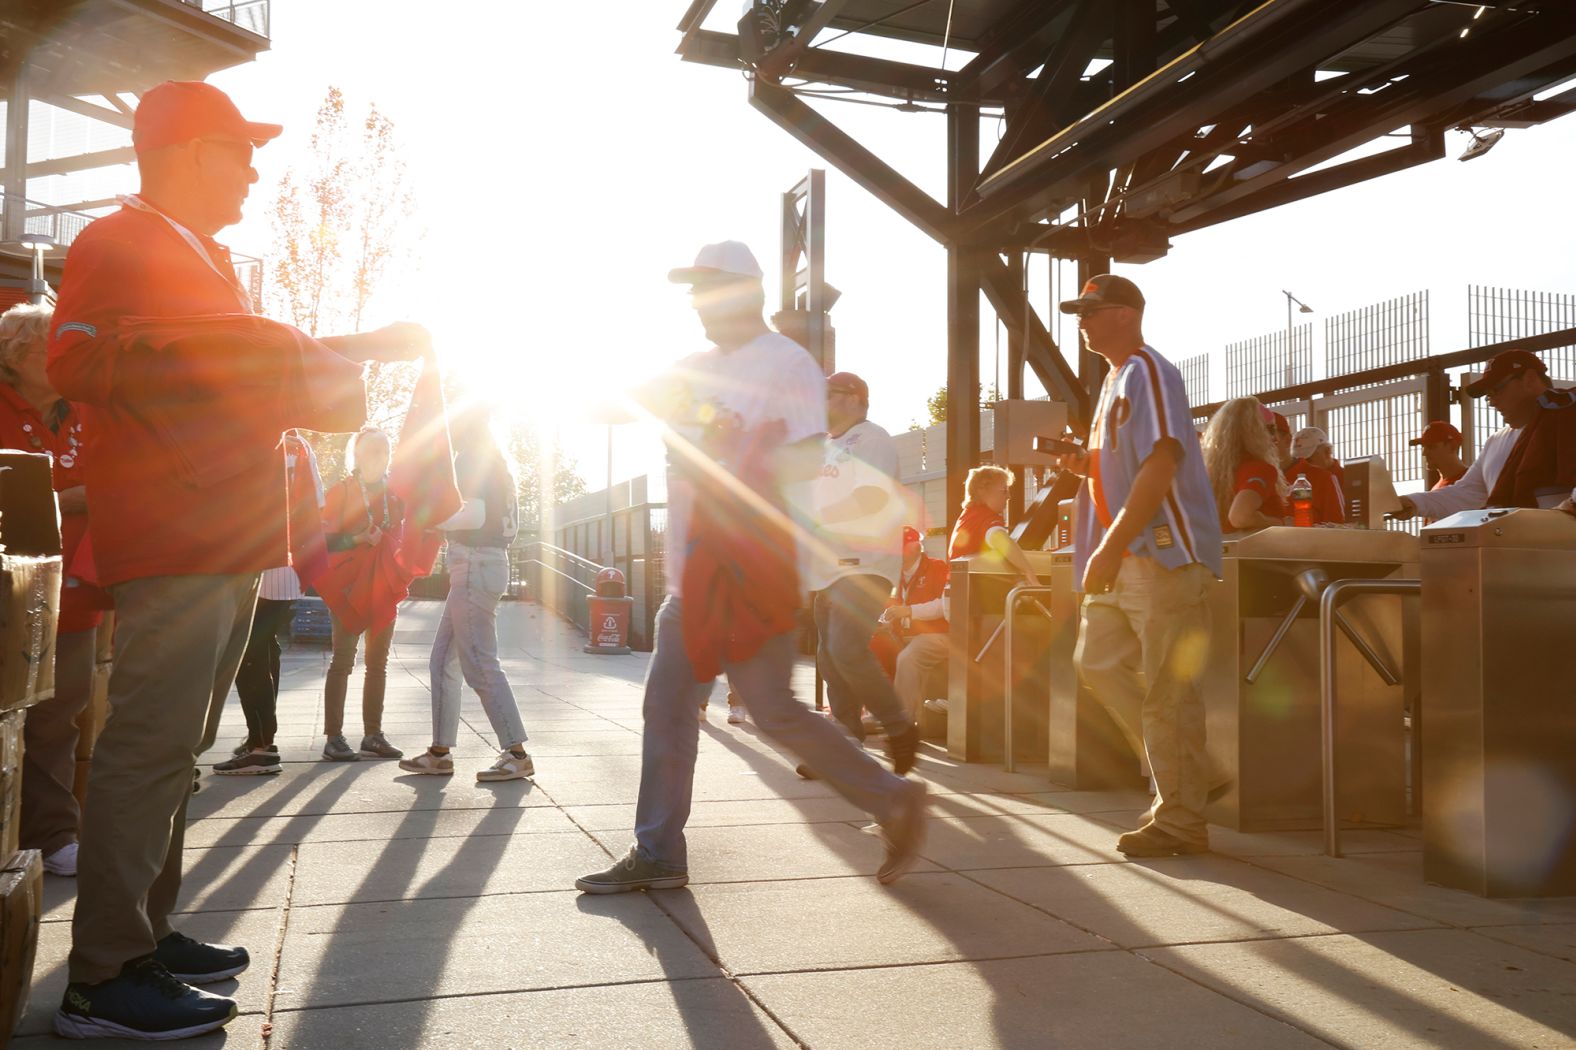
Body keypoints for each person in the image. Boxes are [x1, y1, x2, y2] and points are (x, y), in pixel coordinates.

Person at [45, 80, 428, 1040]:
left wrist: (353, 347)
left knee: (181, 749)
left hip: (219, 534)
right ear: (183, 152)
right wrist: (253, 345)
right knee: (149, 746)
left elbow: (236, 361)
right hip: (174, 534)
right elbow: (78, 359)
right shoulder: (116, 239)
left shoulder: (192, 251)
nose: (254, 167)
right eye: (238, 148)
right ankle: (102, 977)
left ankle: (145, 932)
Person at [575, 240, 925, 894]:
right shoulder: (692, 366)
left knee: (771, 709)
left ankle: (892, 797)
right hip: (696, 576)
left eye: (709, 290)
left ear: (744, 293)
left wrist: (727, 451)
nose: (698, 304)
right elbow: (611, 401)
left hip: (750, 569)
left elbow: (797, 463)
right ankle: (658, 850)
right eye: (693, 292)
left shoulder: (786, 365)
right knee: (670, 704)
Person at [1051, 273, 1222, 858]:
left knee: (1168, 691)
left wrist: (1108, 542)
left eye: (1092, 310)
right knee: (1097, 661)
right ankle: (1190, 776)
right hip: (1131, 554)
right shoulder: (1116, 380)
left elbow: (1162, 459)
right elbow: (1130, 466)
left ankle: (1180, 817)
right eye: (1080, 311)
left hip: (1162, 551)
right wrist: (1085, 467)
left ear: (1126, 313)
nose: (1082, 320)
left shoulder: (1149, 369)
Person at [0, 302, 108, 878]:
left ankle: (55, 834)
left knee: (60, 715)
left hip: (77, 592)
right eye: (52, 348)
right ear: (16, 355)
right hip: (10, 593)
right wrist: (68, 500)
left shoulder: (85, 413)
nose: (66, 359)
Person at [398, 403, 534, 781]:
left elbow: (474, 515)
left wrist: (429, 520)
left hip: (476, 563)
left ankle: (517, 752)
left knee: (478, 663)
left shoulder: (474, 459)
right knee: (443, 660)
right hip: (477, 564)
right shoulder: (493, 461)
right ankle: (440, 753)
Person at [808, 369, 918, 770]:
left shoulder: (872, 438)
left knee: (845, 648)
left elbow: (871, 499)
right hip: (827, 567)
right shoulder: (823, 446)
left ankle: (899, 726)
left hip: (865, 563)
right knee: (829, 656)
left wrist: (816, 521)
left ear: (854, 398)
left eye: (827, 394)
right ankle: (845, 738)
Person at [1395, 351, 1576, 520]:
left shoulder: (1568, 418)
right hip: (1520, 548)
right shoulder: (1496, 441)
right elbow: (1465, 495)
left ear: (1529, 379)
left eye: (1496, 390)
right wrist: (1413, 502)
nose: (1492, 402)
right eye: (1488, 396)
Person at [320, 427, 404, 762]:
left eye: (384, 450)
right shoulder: (340, 491)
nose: (379, 455)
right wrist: (357, 539)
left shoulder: (394, 495)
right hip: (349, 585)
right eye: (371, 450)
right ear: (356, 454)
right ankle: (334, 737)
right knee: (342, 662)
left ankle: (373, 734)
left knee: (378, 663)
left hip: (383, 583)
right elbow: (322, 541)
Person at [875, 526, 951, 721]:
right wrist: (885, 620)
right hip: (903, 635)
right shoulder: (893, 574)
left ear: (916, 548)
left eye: (901, 547)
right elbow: (888, 606)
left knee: (908, 658)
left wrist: (909, 611)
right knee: (869, 646)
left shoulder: (938, 568)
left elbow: (945, 606)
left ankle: (903, 723)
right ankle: (874, 712)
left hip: (939, 635)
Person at [1202, 398, 1288, 532]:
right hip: (1250, 551)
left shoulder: (1209, 471)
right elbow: (1240, 517)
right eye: (1271, 429)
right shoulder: (1261, 469)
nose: (1275, 438)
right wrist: (1279, 523)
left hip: (1215, 549)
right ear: (1254, 432)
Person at [948, 464, 1043, 583]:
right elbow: (1001, 540)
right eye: (1004, 491)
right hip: (973, 590)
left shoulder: (970, 516)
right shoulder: (985, 517)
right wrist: (1030, 574)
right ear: (982, 491)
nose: (1008, 496)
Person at [1286, 426, 1347, 524]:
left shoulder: (1348, 478)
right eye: (1297, 460)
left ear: (1327, 452)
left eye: (1308, 459)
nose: (1302, 463)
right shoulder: (1295, 481)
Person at [1411, 420, 1466, 491]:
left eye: (1431, 447)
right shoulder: (1437, 488)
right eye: (1423, 447)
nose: (1424, 453)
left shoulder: (1473, 481)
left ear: (1453, 446)